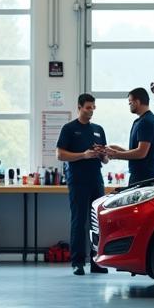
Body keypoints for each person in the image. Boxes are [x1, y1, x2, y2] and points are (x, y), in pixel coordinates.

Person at [56, 93, 109, 276]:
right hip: (78, 181)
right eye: (88, 107)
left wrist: (102, 154)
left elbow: (106, 160)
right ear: (79, 107)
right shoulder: (69, 129)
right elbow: (60, 155)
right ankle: (77, 262)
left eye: (93, 107)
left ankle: (97, 262)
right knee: (79, 221)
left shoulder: (98, 129)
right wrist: (83, 155)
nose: (91, 111)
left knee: (97, 222)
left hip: (96, 179)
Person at [104, 86, 154, 186]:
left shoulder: (146, 122)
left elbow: (141, 153)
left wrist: (116, 154)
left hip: (144, 178)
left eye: (130, 102)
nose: (129, 105)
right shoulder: (143, 121)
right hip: (142, 175)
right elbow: (137, 151)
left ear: (137, 102)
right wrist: (117, 149)